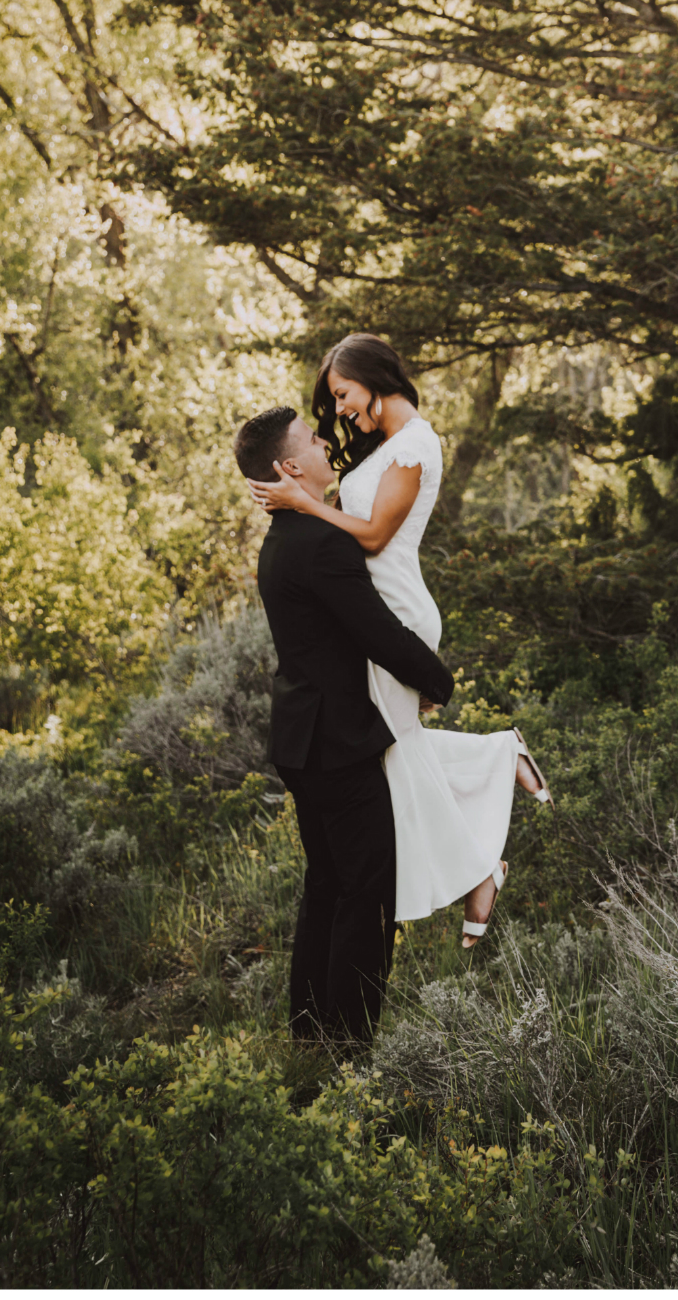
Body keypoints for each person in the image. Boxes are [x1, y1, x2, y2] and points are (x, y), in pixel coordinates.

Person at [250, 335, 548, 946]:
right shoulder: (385, 447)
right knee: (390, 753)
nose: (337, 413)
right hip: (379, 609)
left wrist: (305, 503)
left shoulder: (415, 445)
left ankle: (480, 868)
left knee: (388, 753)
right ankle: (498, 768)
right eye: (331, 403)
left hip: (400, 613)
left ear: (374, 378)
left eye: (342, 395)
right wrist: (310, 501)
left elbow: (376, 536)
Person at [236, 405, 456, 1043]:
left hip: (302, 741)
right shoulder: (323, 542)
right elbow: (378, 631)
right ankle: (351, 1047)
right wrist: (438, 682)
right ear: (288, 466)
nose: (323, 442)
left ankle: (310, 1033)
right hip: (337, 744)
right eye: (311, 438)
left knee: (328, 885)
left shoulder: (281, 542)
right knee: (367, 894)